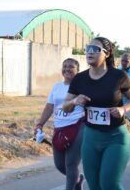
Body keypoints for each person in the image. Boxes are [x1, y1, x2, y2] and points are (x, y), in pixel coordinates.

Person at [63, 37, 130, 190]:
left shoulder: (119, 76)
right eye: (88, 48)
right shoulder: (79, 79)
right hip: (90, 138)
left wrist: (123, 109)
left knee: (110, 184)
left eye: (95, 49)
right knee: (94, 185)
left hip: (115, 138)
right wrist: (74, 101)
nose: (90, 52)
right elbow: (65, 107)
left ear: (107, 53)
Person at [35, 58, 85, 190]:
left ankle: (71, 185)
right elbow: (49, 107)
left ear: (77, 71)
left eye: (71, 67)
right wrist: (40, 124)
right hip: (60, 128)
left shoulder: (82, 87)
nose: (67, 69)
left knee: (70, 164)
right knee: (59, 164)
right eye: (65, 66)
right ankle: (77, 179)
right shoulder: (57, 86)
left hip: (77, 126)